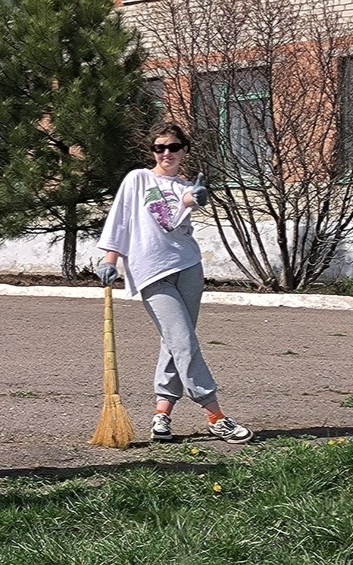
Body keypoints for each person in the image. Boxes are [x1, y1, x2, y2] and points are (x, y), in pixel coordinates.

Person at [96, 122, 253, 444]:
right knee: (183, 341)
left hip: (188, 268)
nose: (166, 153)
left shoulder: (186, 187)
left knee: (176, 343)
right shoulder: (138, 179)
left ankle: (161, 415)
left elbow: (172, 225)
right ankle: (215, 415)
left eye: (173, 147)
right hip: (151, 271)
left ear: (185, 150)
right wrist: (109, 260)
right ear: (152, 151)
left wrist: (192, 200)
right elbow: (120, 220)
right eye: (159, 147)